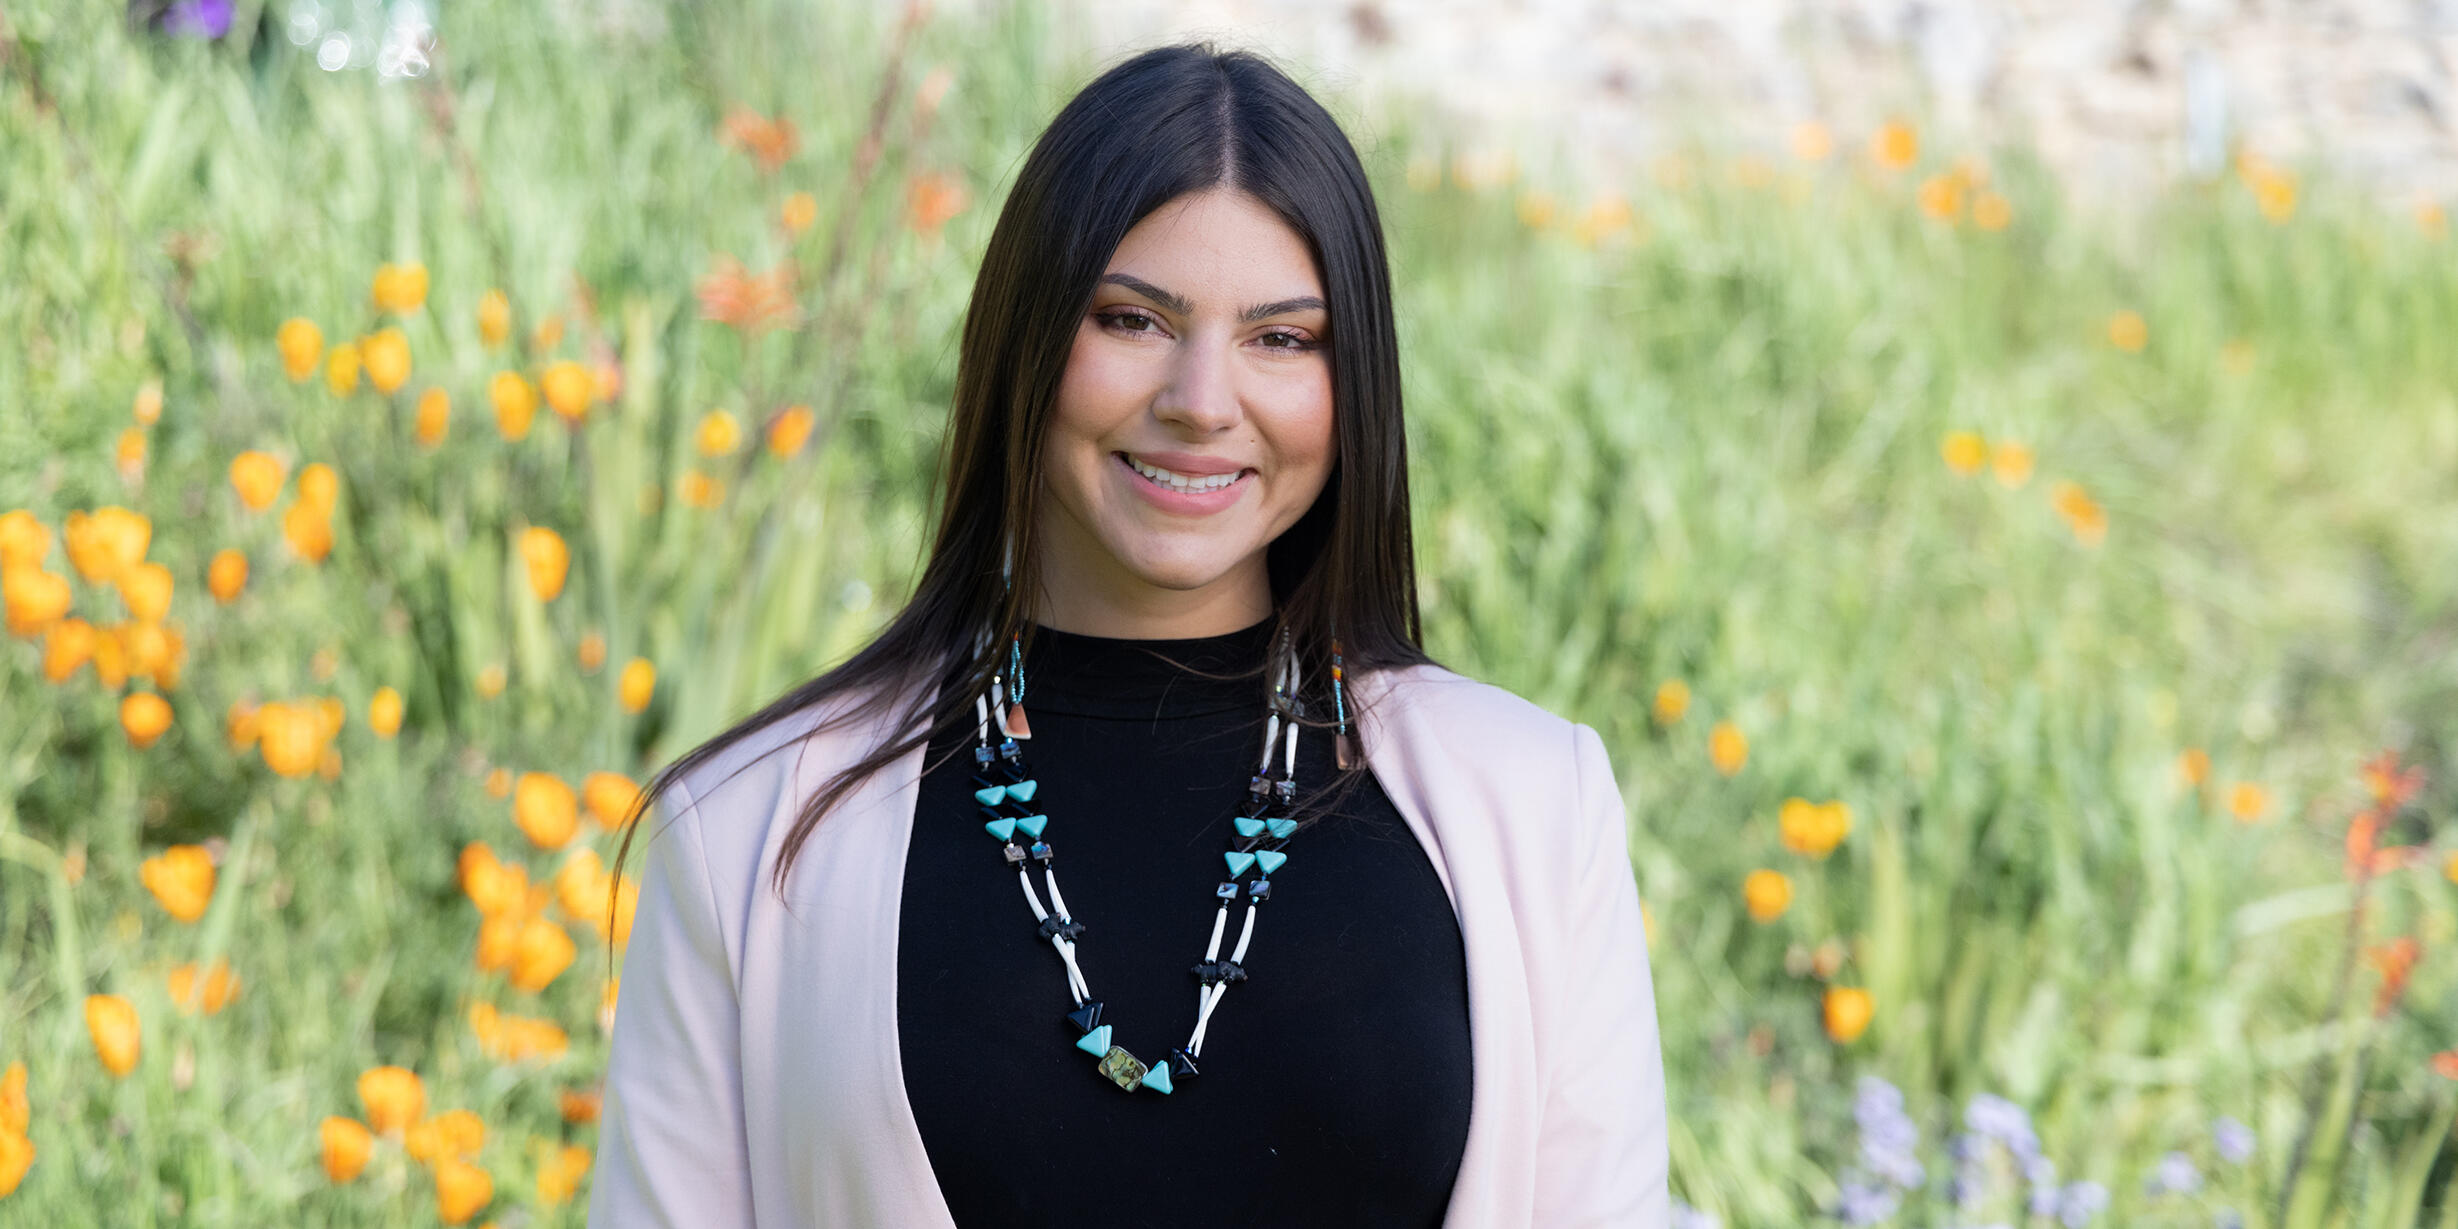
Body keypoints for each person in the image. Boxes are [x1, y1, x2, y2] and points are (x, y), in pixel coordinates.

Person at [589, 40, 1669, 1229]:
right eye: (1132, 318)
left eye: (1282, 337)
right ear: (1026, 339)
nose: (1202, 399)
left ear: (1350, 379)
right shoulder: (747, 825)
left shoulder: (1535, 805)